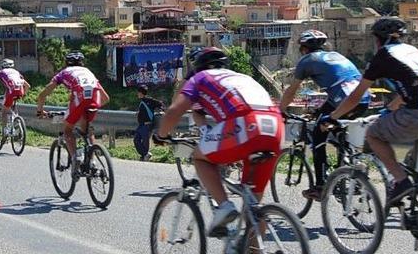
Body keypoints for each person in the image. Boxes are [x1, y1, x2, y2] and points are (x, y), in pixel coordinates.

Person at [321, 17, 418, 207]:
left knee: (374, 135)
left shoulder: (383, 55)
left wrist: (332, 116)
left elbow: (356, 96)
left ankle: (401, 182)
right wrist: (389, 109)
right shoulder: (412, 51)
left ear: (379, 40)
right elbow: (415, 86)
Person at [156, 47, 283, 236]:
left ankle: (224, 206)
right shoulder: (242, 77)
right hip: (276, 126)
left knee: (200, 158)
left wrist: (161, 135)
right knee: (254, 207)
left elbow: (174, 110)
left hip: (245, 124)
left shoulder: (199, 78)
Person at [279, 29, 372, 201]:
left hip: (344, 100)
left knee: (318, 133)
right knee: (332, 124)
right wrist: (318, 111)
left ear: (304, 48)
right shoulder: (334, 55)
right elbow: (338, 86)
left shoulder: (307, 61)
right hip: (363, 98)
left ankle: (320, 186)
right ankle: (349, 163)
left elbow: (292, 90)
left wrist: (280, 110)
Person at [36, 51, 108, 171]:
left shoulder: (63, 73)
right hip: (95, 97)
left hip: (79, 96)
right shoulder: (88, 72)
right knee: (87, 131)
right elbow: (106, 98)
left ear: (66, 63)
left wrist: (40, 110)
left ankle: (76, 159)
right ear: (82, 63)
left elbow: (42, 95)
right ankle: (93, 161)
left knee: (68, 130)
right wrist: (88, 109)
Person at [0, 59, 30, 140]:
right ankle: (17, 121)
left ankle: (5, 132)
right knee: (12, 107)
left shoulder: (1, 72)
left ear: (3, 65)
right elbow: (28, 86)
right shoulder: (16, 72)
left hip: (11, 91)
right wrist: (24, 95)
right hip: (20, 91)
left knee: (4, 111)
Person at [134, 85, 164, 161]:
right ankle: (145, 154)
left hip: (147, 125)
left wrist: (162, 111)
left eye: (138, 92)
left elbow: (160, 104)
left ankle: (144, 155)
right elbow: (145, 111)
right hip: (141, 125)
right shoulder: (142, 102)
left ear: (141, 93)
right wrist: (139, 113)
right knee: (136, 139)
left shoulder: (149, 100)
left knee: (145, 142)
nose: (137, 94)